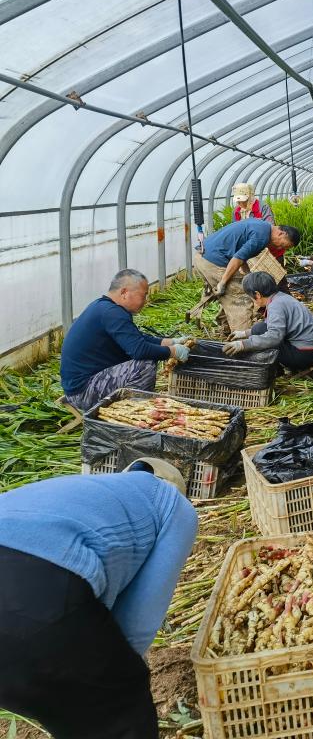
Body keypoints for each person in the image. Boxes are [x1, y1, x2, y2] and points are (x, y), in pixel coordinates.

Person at [0, 458, 198, 739]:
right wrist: (119, 675)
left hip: (24, 585)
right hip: (32, 596)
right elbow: (135, 629)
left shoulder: (84, 491)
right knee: (114, 710)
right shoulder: (175, 507)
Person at [60, 269, 192, 411]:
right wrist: (173, 351)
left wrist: (171, 342)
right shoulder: (112, 312)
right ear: (124, 292)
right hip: (84, 392)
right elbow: (139, 350)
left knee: (148, 356)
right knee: (145, 364)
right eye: (143, 295)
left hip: (81, 385)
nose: (145, 301)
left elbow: (137, 338)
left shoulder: (104, 307)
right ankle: (136, 412)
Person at [192, 218, 300, 334]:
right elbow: (237, 258)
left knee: (231, 291)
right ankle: (241, 337)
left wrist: (249, 276)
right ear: (281, 233)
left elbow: (242, 255)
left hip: (203, 255)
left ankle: (226, 327)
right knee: (241, 296)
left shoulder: (262, 227)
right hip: (213, 261)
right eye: (282, 245)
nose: (279, 249)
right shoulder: (262, 237)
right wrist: (222, 282)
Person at [223, 271, 313, 373]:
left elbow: (273, 337)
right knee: (260, 328)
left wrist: (243, 344)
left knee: (262, 335)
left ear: (257, 294)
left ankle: (277, 371)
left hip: (307, 355)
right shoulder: (281, 297)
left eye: (251, 297)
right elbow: (269, 326)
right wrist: (243, 334)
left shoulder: (275, 306)